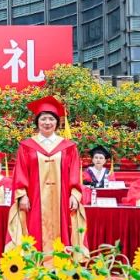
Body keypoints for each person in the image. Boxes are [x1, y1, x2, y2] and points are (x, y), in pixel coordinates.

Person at [6, 96, 86, 251]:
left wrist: (75, 195)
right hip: (34, 197)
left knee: (63, 230)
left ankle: (60, 261)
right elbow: (21, 172)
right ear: (37, 122)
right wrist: (22, 195)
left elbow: (74, 173)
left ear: (57, 122)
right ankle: (36, 262)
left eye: (51, 119)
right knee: (33, 229)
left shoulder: (68, 147)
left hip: (62, 198)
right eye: (43, 119)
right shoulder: (27, 146)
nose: (47, 123)